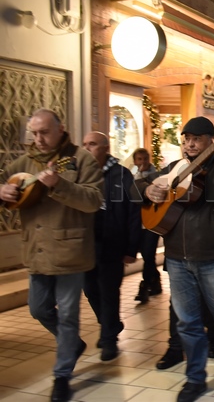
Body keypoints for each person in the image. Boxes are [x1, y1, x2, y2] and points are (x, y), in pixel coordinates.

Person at [137, 116, 214, 402]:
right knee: (187, 322)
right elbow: (135, 185)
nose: (189, 143)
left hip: (212, 256)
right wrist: (147, 190)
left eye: (196, 139)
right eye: (186, 138)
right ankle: (195, 378)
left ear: (211, 141)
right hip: (177, 258)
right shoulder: (175, 168)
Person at [0, 109, 103, 402]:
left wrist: (60, 184)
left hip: (70, 250)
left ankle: (62, 375)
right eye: (34, 133)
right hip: (36, 250)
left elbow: (93, 200)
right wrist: (2, 192)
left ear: (61, 129)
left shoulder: (81, 159)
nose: (38, 139)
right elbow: (5, 185)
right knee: (38, 309)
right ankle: (72, 345)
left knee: (68, 315)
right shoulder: (22, 163)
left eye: (44, 132)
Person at [82, 132, 141, 361]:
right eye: (85, 144)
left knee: (108, 292)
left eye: (92, 144)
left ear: (105, 148)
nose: (87, 148)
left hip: (112, 244)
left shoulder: (121, 175)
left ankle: (109, 340)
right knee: (90, 289)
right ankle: (111, 325)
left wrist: (131, 248)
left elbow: (133, 212)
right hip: (87, 244)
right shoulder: (79, 173)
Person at [131, 148, 162, 304]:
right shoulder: (131, 176)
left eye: (145, 158)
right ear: (135, 161)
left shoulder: (157, 176)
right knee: (145, 254)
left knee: (149, 254)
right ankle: (155, 280)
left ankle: (145, 285)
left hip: (152, 221)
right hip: (138, 223)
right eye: (139, 159)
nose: (142, 162)